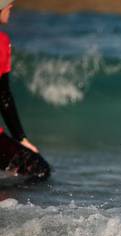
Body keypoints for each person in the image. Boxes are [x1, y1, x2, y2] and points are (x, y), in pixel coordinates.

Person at [0, 0, 49, 180]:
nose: (10, 6)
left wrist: (20, 138)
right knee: (40, 170)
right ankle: (9, 205)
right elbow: (3, 95)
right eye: (6, 3)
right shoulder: (1, 43)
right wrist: (21, 138)